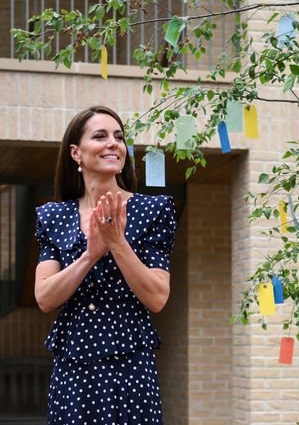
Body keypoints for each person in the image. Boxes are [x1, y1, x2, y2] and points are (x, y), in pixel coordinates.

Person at [34, 106, 177, 424]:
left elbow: (157, 297)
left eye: (119, 137)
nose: (113, 143)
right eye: (100, 136)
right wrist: (90, 255)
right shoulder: (54, 217)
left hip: (130, 366)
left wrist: (116, 243)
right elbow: (44, 297)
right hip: (74, 368)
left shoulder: (153, 211)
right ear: (76, 153)